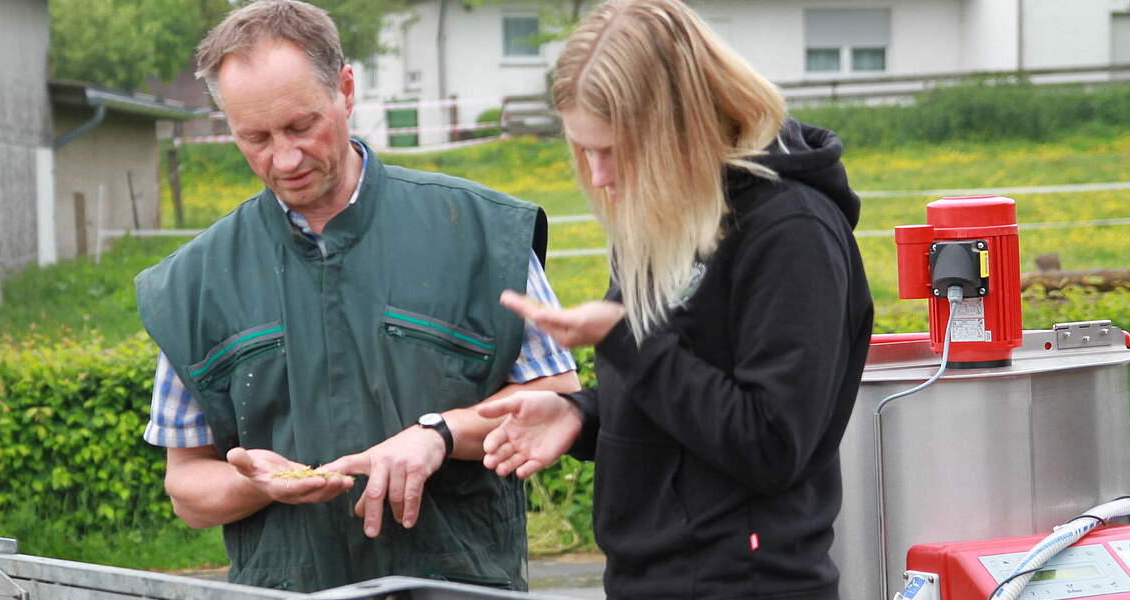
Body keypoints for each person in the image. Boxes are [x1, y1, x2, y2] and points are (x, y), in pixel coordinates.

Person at [133, 0, 580, 592]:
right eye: (255, 138)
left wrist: (438, 435)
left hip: (458, 587)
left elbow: (558, 395)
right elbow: (187, 487)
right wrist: (256, 484)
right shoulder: (193, 282)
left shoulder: (481, 233)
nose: (284, 158)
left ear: (345, 89)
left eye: (300, 126)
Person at [477, 1, 875, 598]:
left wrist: (621, 338)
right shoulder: (667, 218)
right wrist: (581, 414)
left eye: (613, 150)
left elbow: (770, 445)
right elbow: (672, 387)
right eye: (584, 150)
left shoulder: (792, 234)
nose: (600, 175)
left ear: (679, 125)